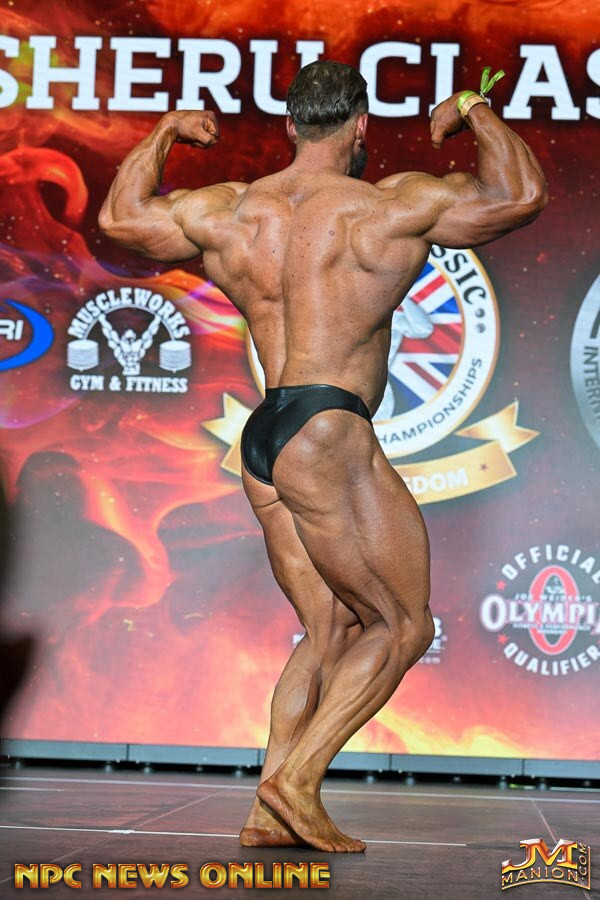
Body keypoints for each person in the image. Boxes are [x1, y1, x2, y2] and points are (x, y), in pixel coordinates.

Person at [99, 60, 547, 853]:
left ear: (291, 126)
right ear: (360, 125)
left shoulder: (232, 210)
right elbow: (519, 196)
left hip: (266, 434)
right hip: (327, 428)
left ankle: (267, 811)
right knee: (403, 624)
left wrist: (166, 132)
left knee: (330, 627)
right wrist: (474, 109)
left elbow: (122, 218)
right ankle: (299, 780)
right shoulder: (386, 207)